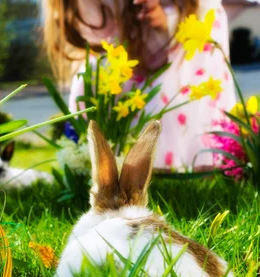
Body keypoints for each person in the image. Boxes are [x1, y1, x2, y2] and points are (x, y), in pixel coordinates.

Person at [42, 0, 236, 172]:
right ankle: (98, 163)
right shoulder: (92, 18)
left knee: (168, 106)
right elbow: (98, 39)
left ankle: (162, 163)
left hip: (185, 42)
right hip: (131, 54)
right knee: (91, 82)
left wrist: (163, 20)